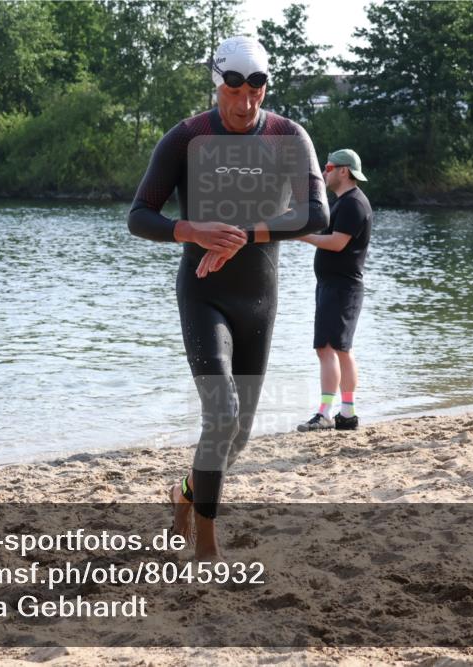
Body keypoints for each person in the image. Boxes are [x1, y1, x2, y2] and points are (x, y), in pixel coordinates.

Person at [128, 35, 327, 559]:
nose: (244, 105)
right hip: (203, 293)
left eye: (255, 91)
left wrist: (243, 232)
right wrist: (189, 230)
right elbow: (139, 216)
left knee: (236, 436)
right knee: (221, 416)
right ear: (217, 85)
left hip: (258, 298)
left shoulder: (288, 137)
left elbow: (316, 215)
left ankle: (184, 496)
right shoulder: (186, 137)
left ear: (265, 88)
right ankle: (207, 546)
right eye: (233, 91)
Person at [296, 149, 372, 432]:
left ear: (344, 171)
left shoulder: (354, 204)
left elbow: (337, 243)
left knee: (335, 348)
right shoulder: (342, 203)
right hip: (332, 285)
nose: (325, 172)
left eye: (329, 167)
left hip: (343, 286)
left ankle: (332, 412)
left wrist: (301, 237)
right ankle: (343, 412)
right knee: (329, 348)